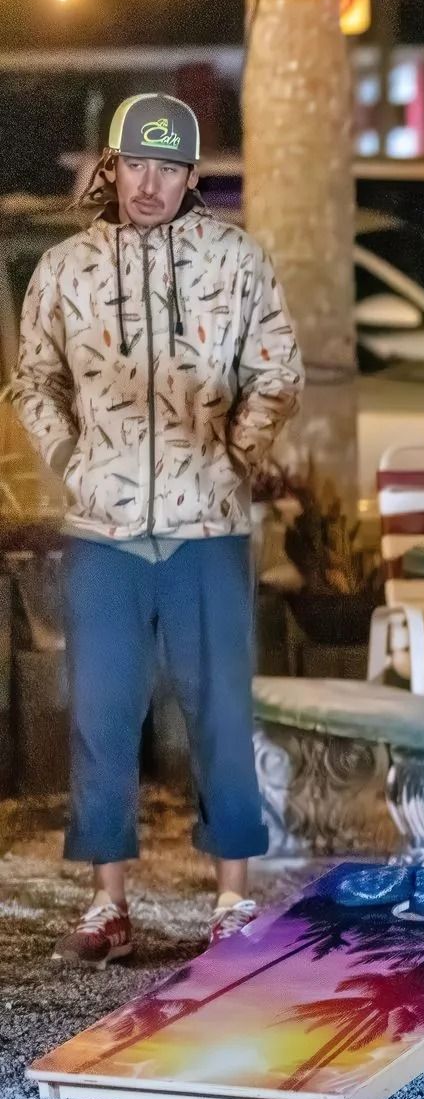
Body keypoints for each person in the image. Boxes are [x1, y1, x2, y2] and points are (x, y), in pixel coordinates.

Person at [10, 94, 303, 965]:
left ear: (192, 176)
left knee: (220, 710)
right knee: (103, 714)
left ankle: (232, 900)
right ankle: (108, 904)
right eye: (137, 164)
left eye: (171, 168)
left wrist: (238, 455)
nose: (152, 183)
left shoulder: (234, 257)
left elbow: (276, 369)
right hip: (100, 531)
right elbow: (33, 381)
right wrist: (69, 459)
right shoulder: (65, 269)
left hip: (206, 524)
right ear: (109, 166)